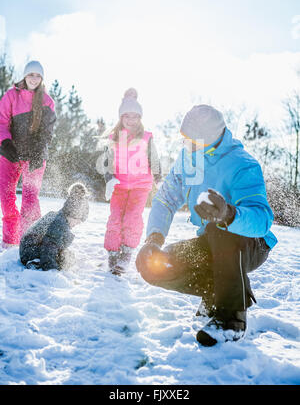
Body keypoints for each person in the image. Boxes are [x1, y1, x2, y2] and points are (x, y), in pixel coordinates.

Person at [136, 104, 278, 347]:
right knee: (154, 264)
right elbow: (165, 198)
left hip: (250, 245)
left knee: (219, 229)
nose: (186, 146)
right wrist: (153, 239)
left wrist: (228, 214)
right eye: (185, 140)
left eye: (192, 141)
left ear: (210, 140)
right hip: (212, 243)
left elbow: (262, 220)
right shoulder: (189, 158)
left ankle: (231, 318)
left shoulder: (242, 164)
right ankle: (217, 294)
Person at [100, 88, 161, 275]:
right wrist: (109, 179)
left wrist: (159, 179)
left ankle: (126, 253)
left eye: (135, 116)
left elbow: (154, 159)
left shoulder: (146, 137)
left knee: (132, 217)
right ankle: (112, 253)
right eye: (127, 116)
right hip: (119, 185)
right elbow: (106, 161)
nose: (132, 120)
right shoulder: (113, 138)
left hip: (140, 186)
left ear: (140, 118)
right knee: (115, 218)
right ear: (121, 117)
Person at [0, 61, 56, 248]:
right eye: (31, 75)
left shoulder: (47, 101)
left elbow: (47, 132)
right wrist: (6, 142)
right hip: (11, 154)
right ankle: (10, 242)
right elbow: (1, 122)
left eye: (38, 76)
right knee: (7, 198)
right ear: (24, 76)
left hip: (35, 155)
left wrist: (39, 150)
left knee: (30, 201)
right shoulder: (11, 96)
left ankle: (31, 242)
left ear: (41, 79)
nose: (34, 78)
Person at [19, 182, 89, 271]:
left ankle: (43, 260)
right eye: (78, 220)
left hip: (34, 247)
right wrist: (52, 269)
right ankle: (35, 262)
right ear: (72, 215)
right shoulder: (59, 223)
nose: (78, 223)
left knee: (68, 257)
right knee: (59, 259)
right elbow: (49, 246)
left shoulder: (62, 219)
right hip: (29, 251)